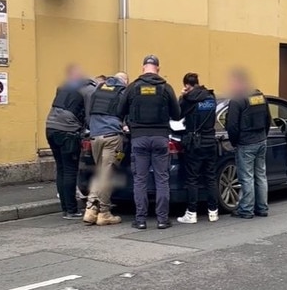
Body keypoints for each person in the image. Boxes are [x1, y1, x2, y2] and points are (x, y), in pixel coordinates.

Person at [118, 55, 181, 230]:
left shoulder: (132, 87)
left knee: (140, 180)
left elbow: (119, 111)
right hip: (161, 138)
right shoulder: (166, 88)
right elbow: (177, 115)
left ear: (143, 67)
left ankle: (141, 220)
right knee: (162, 179)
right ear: (158, 69)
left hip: (139, 138)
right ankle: (162, 219)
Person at [46, 64, 97, 220]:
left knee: (61, 169)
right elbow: (89, 116)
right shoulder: (89, 90)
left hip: (50, 127)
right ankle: (71, 210)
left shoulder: (64, 86)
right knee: (70, 170)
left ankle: (65, 208)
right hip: (68, 130)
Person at [225, 68, 272, 219]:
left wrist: (234, 142)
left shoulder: (237, 100)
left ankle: (246, 209)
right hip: (261, 140)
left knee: (246, 177)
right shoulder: (260, 96)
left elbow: (232, 125)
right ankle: (262, 208)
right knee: (260, 175)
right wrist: (264, 135)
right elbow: (268, 119)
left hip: (246, 143)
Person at [83, 72, 129, 226]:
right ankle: (104, 213)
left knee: (100, 173)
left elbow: (89, 114)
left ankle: (90, 210)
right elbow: (127, 115)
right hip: (112, 137)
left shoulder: (98, 89)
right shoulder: (122, 92)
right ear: (124, 82)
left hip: (95, 137)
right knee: (107, 175)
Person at [176, 73, 219, 224]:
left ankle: (191, 213)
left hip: (194, 143)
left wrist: (182, 97)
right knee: (211, 178)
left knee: (192, 179)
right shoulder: (211, 97)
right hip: (210, 141)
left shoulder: (188, 99)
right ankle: (213, 212)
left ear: (187, 85)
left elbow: (177, 114)